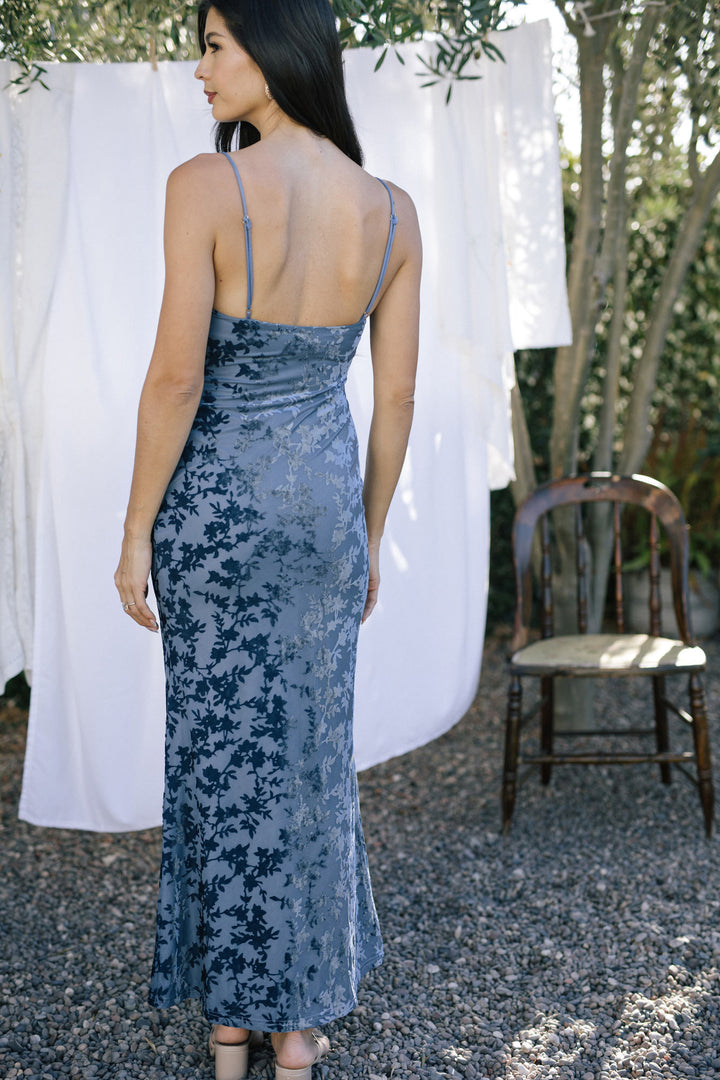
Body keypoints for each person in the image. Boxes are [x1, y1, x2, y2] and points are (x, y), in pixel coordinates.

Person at [114, 1, 421, 1077]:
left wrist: (135, 529)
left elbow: (175, 379)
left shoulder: (205, 189)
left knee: (217, 756)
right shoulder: (390, 212)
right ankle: (296, 1031)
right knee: (311, 764)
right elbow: (397, 404)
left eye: (213, 43)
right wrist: (368, 537)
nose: (198, 68)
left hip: (218, 513)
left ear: (274, 48)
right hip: (323, 515)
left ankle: (232, 1024)